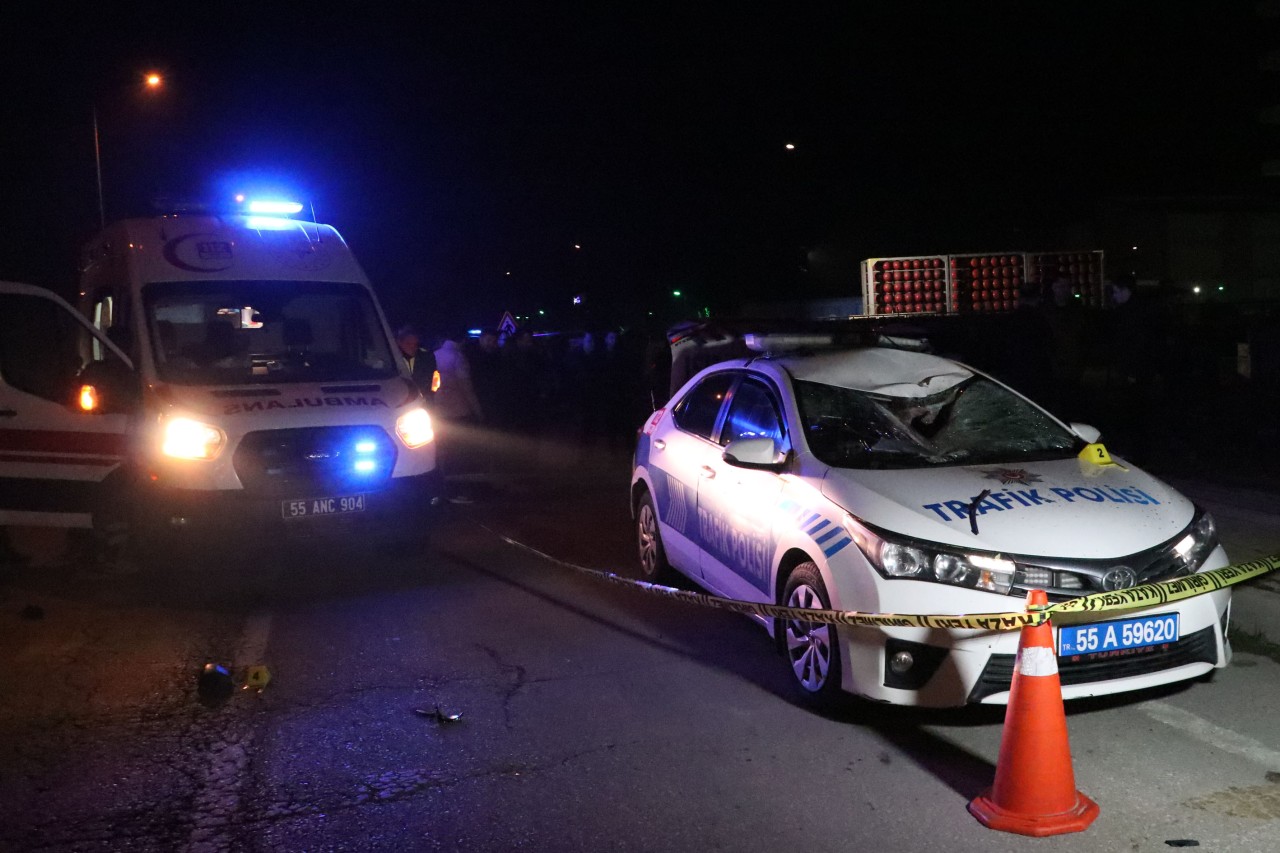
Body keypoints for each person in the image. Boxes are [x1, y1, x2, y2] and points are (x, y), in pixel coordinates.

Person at [433, 330, 485, 503]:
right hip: (458, 411)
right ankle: (458, 492)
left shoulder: (435, 355)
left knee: (442, 452)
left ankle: (441, 490)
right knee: (459, 454)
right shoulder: (458, 357)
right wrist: (477, 410)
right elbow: (466, 387)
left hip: (438, 412)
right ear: (462, 340)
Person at [396, 325, 437, 400]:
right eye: (408, 343)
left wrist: (432, 394)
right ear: (399, 343)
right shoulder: (393, 359)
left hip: (424, 400)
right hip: (400, 400)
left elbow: (434, 379)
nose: (412, 347)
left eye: (415, 344)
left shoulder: (427, 358)